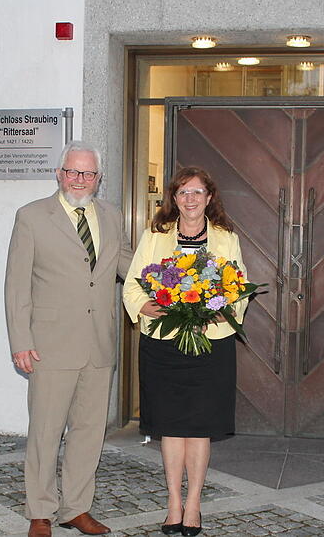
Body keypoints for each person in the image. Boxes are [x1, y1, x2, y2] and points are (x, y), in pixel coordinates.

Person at [4, 140, 133, 537]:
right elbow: (16, 285)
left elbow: (127, 263)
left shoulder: (112, 216)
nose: (80, 179)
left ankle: (76, 507)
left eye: (88, 173)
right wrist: (20, 340)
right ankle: (40, 512)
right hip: (49, 344)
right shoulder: (31, 217)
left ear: (98, 178)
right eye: (73, 171)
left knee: (89, 431)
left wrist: (171, 285)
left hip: (98, 343)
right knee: (45, 432)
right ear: (59, 174)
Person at [122, 166, 249, 537]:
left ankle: (193, 503)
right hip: (164, 344)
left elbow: (238, 287)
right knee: (172, 427)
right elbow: (133, 284)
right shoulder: (155, 235)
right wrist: (147, 306)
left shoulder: (226, 238)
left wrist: (217, 311)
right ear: (173, 199)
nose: (190, 199)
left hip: (211, 343)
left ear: (209, 198)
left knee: (199, 428)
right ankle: (172, 503)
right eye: (182, 193)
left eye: (197, 193)